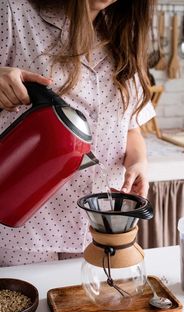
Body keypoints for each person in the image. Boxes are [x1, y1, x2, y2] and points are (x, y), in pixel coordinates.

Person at [0, 0, 156, 266]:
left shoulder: (122, 39)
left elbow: (131, 128)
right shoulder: (13, 13)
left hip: (99, 228)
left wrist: (138, 162)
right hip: (22, 230)